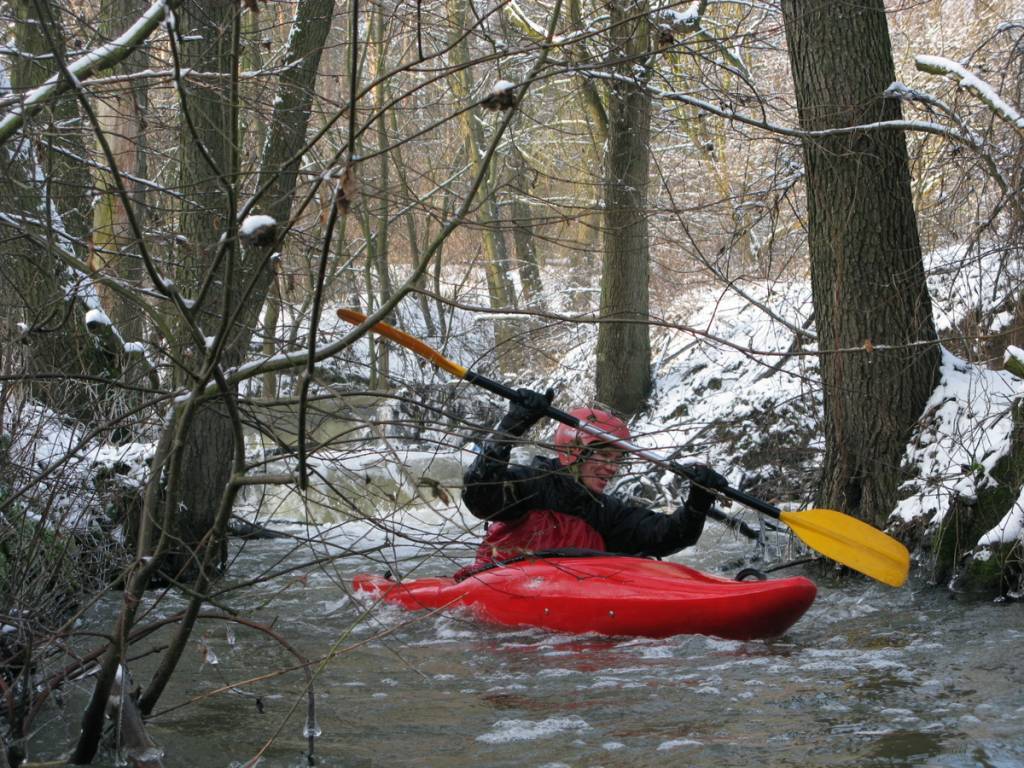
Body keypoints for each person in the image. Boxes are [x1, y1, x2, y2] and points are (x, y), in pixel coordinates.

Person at [458, 388, 728, 576]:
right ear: (574, 452)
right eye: (604, 456)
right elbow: (480, 497)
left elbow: (666, 535)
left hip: (569, 604)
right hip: (503, 589)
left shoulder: (605, 512)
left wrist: (698, 502)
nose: (612, 468)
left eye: (617, 459)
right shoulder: (531, 484)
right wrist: (512, 426)